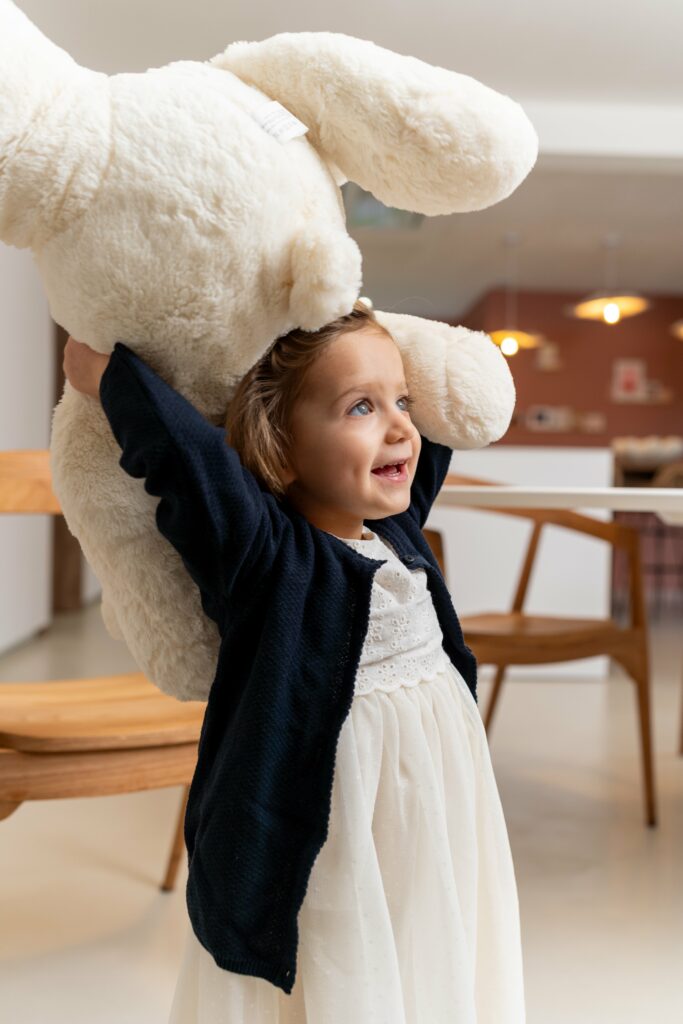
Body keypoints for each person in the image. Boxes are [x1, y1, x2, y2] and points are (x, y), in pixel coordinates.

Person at [63, 300, 526, 1024]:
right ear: (280, 440)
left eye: (400, 400)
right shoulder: (267, 561)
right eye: (361, 407)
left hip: (434, 795)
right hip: (332, 813)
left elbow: (441, 421)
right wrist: (112, 379)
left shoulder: (394, 528)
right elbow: (190, 464)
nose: (401, 425)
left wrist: (359, 314)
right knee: (341, 945)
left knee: (420, 927)